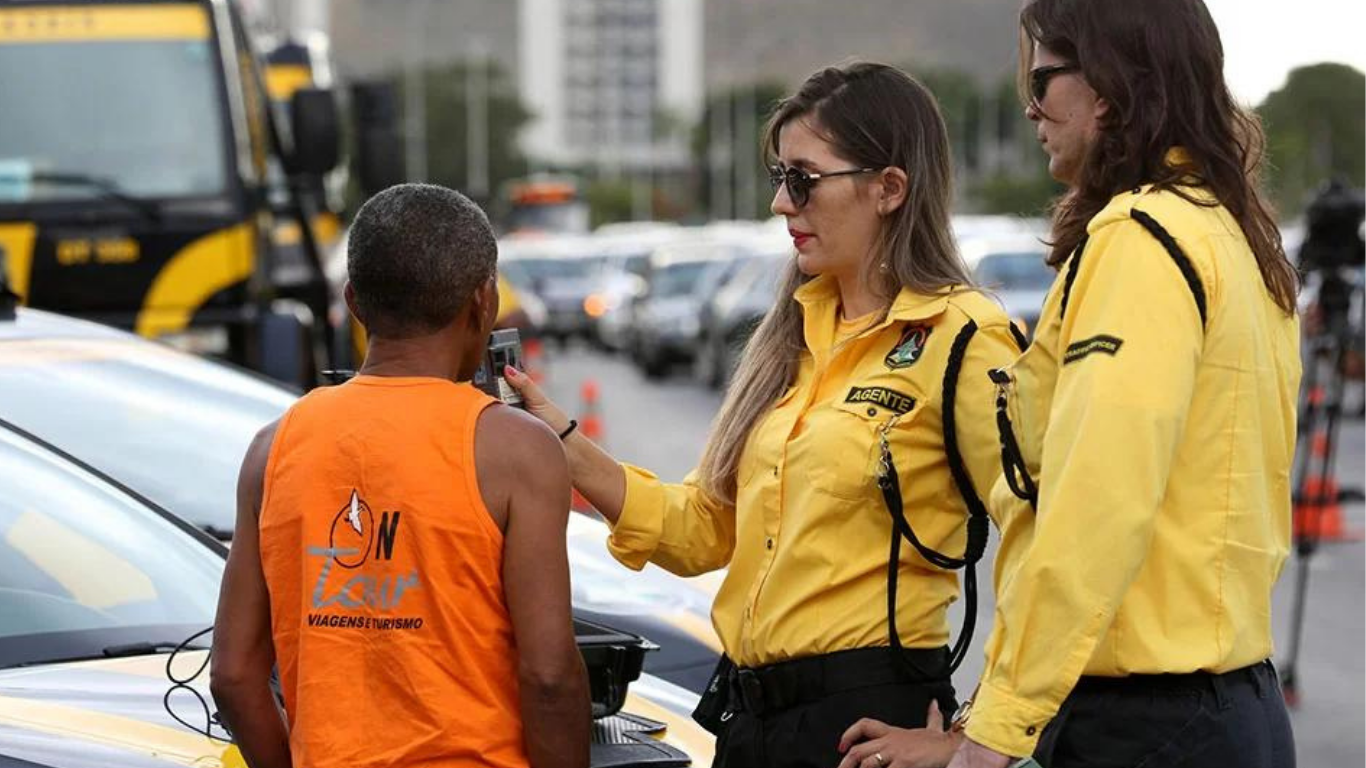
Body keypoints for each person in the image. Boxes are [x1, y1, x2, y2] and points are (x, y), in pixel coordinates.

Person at [505, 62, 1020, 768]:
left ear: (889, 188)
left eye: (803, 179)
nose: (781, 203)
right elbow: (702, 531)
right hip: (751, 724)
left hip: (864, 729)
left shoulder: (962, 336)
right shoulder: (792, 335)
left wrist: (973, 735)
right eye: (779, 177)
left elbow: (1052, 541)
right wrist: (557, 439)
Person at [845, 0, 1302, 766]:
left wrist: (988, 739)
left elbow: (1095, 504)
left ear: (1111, 87)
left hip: (1145, 724)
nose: (1030, 104)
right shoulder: (1230, 234)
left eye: (1043, 77)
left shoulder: (1142, 240)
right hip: (1220, 710)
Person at [211, 183, 590, 768]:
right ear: (483, 302)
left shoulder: (272, 449)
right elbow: (547, 675)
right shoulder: (515, 450)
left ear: (354, 304)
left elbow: (234, 675)